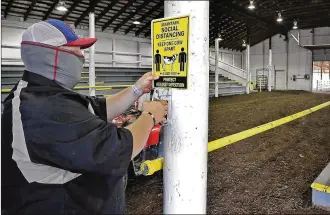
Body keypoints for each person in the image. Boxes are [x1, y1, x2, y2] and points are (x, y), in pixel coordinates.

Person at [1, 19, 168, 214]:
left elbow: (99, 108)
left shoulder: (46, 94)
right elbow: (118, 150)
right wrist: (150, 116)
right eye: (75, 51)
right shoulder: (40, 108)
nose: (82, 56)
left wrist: (136, 90)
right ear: (50, 55)